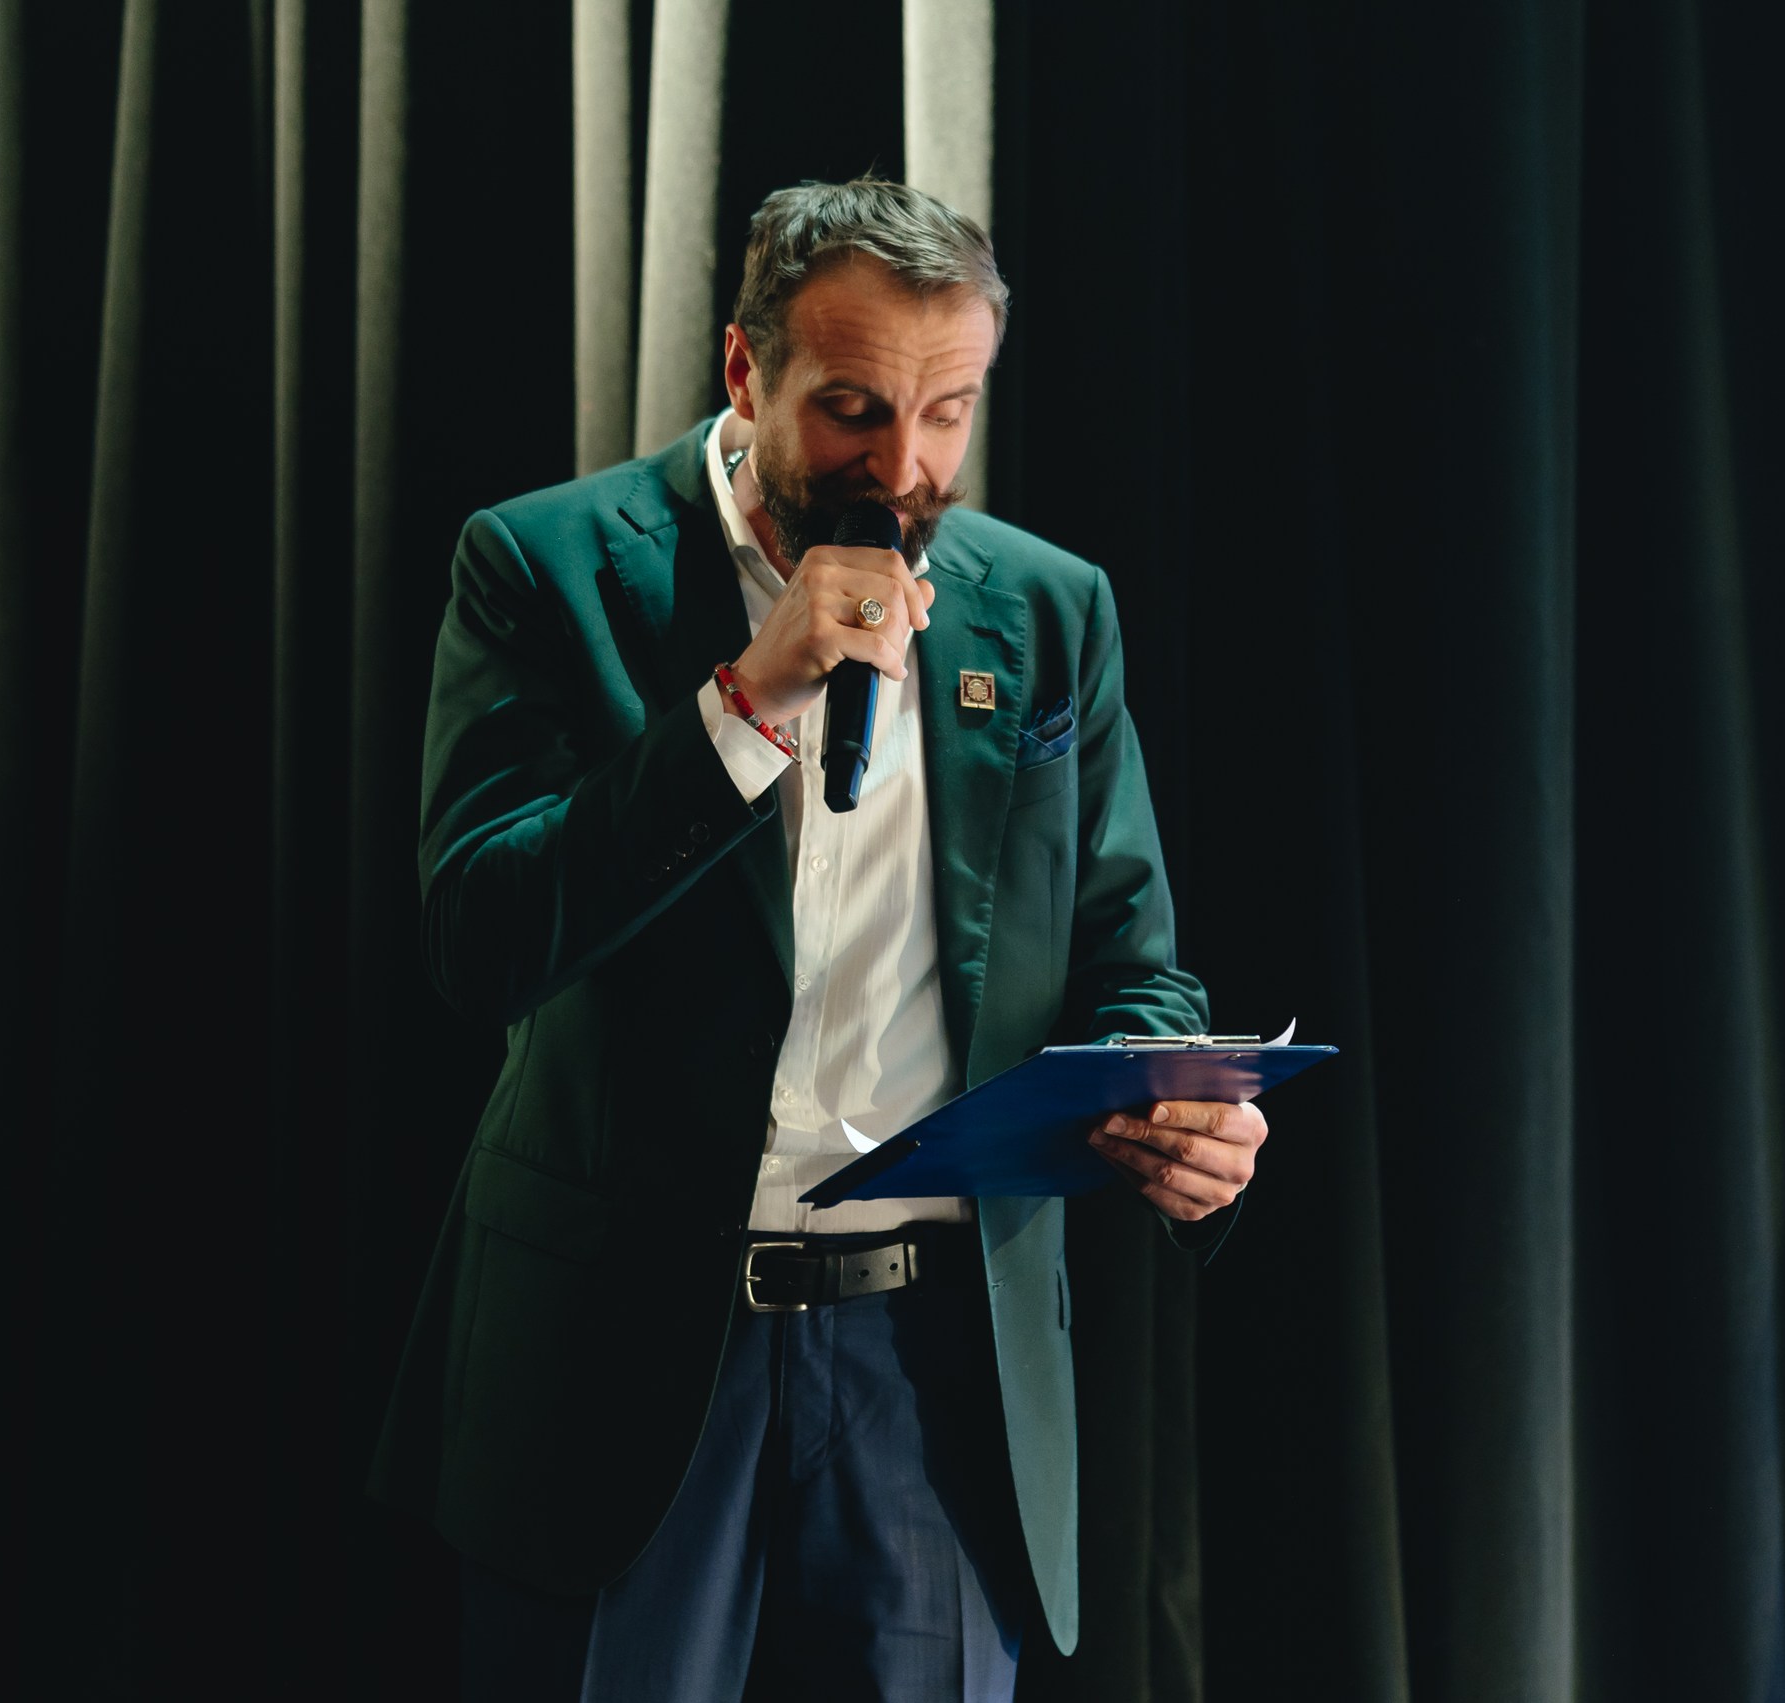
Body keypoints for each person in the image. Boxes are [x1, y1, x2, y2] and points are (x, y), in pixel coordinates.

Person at [370, 178, 1268, 1700]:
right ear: (747, 370)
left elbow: (1133, 959)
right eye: (854, 409)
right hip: (621, 1351)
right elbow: (482, 939)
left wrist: (1179, 1104)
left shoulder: (1049, 610)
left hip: (935, 1367)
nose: (903, 469)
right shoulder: (542, 565)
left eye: (948, 413)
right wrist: (743, 703)